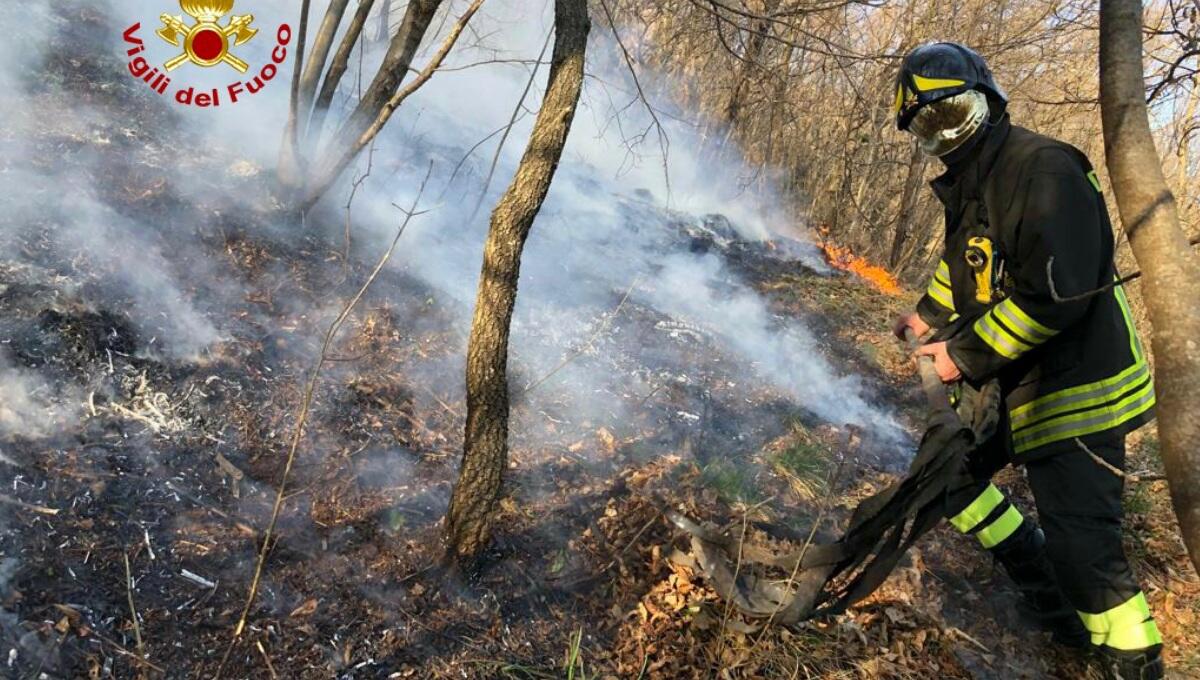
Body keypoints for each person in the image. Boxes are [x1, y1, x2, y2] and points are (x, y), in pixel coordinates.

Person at [889, 42, 1163, 680]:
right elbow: (967, 267)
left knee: (1086, 552)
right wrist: (927, 317)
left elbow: (1055, 296)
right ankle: (1053, 610)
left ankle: (1133, 661)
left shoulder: (1044, 171)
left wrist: (960, 355)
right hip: (1017, 382)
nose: (945, 135)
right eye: (927, 127)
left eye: (953, 114)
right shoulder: (977, 182)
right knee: (951, 479)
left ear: (988, 102)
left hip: (1080, 388)